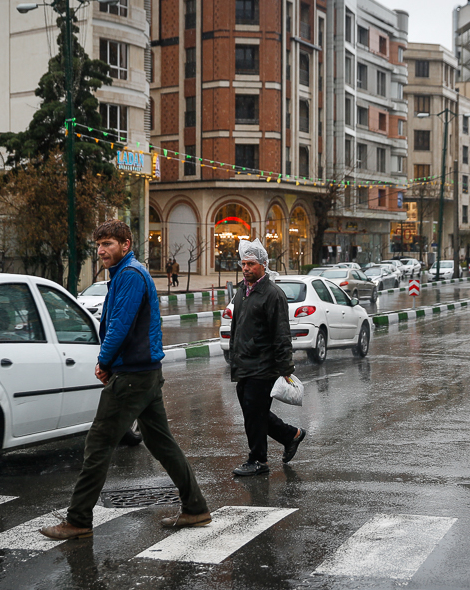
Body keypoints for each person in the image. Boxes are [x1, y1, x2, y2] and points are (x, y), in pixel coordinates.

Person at [40, 220, 210, 539]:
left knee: (99, 443)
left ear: (126, 245)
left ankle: (78, 519)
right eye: (99, 244)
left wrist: (105, 361)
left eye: (108, 244)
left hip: (132, 375)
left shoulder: (130, 276)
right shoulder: (125, 274)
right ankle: (195, 507)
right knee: (162, 443)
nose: (102, 250)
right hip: (144, 373)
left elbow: (119, 324)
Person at [228, 238, 306, 476]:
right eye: (243, 264)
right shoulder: (242, 292)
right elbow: (237, 327)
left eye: (251, 264)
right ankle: (291, 435)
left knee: (254, 412)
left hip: (264, 365)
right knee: (254, 412)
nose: (246, 268)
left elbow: (281, 333)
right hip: (244, 363)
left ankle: (258, 460)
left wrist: (285, 367)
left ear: (262, 264)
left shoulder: (273, 294)